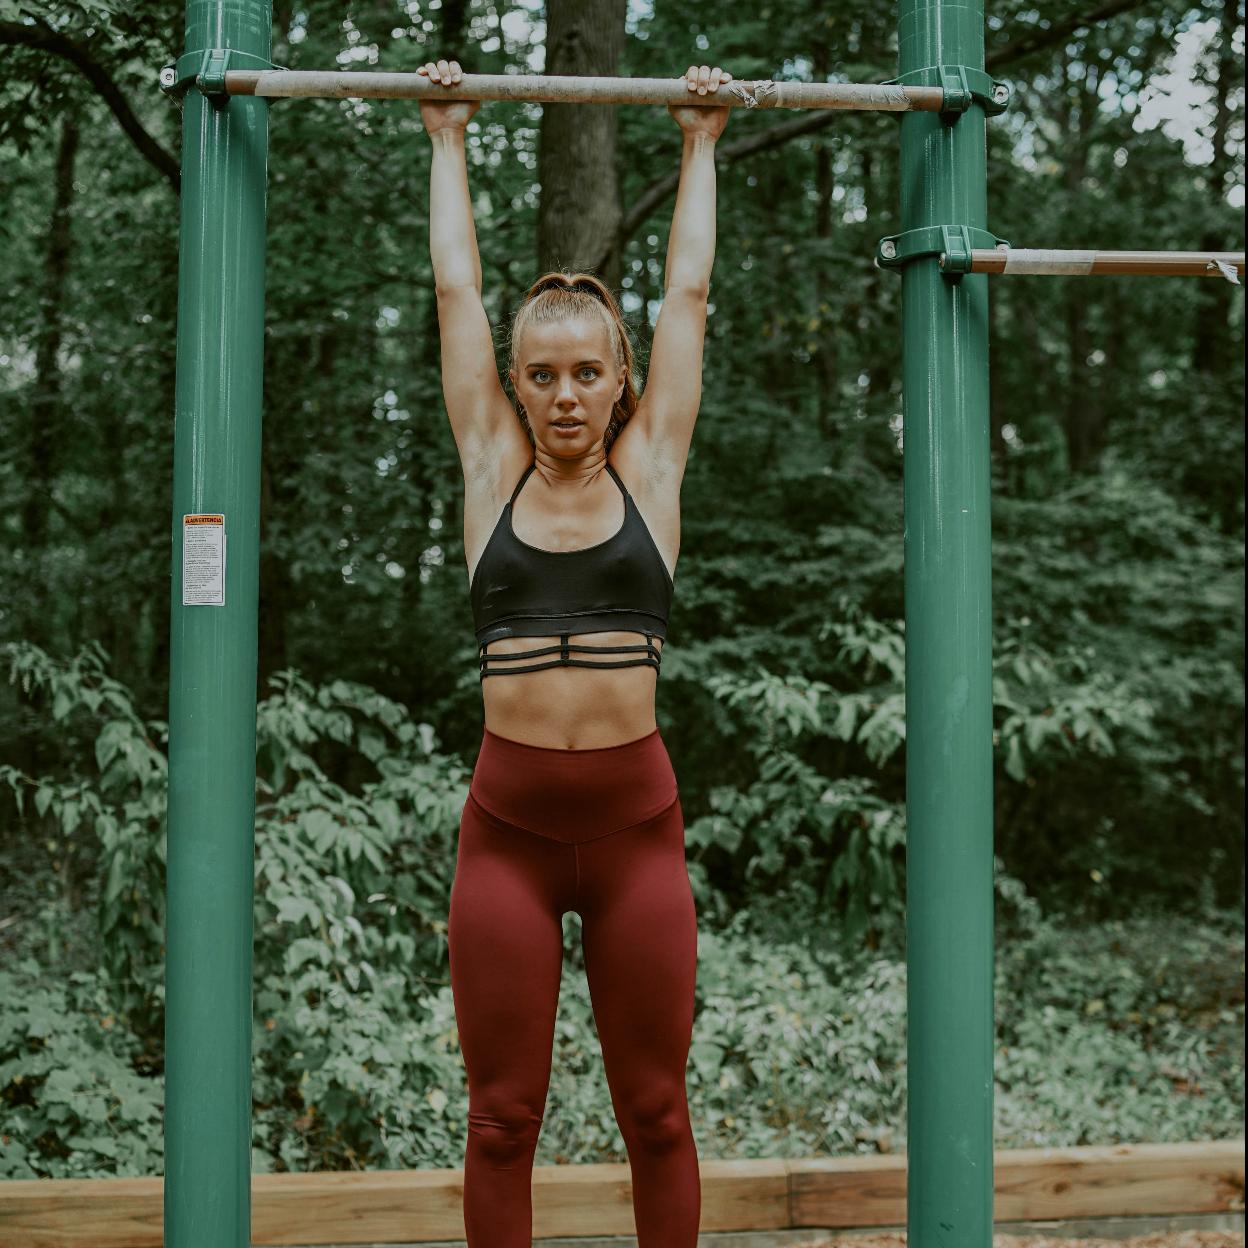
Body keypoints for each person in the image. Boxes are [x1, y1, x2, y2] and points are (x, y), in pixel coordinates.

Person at [420, 56, 732, 1247]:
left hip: (635, 839)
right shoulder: (490, 468)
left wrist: (699, 141)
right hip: (505, 842)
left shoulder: (652, 473)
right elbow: (458, 294)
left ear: (621, 385)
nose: (563, 396)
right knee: (502, 1118)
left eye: (587, 374)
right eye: (542, 375)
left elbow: (690, 296)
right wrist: (448, 134)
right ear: (516, 384)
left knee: (656, 1111)